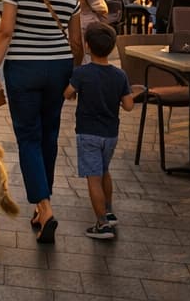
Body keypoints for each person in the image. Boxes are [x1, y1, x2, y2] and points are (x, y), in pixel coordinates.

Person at [0, 0, 82, 245]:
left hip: (23, 70)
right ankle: (42, 208)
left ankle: (45, 207)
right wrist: (74, 79)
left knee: (28, 137)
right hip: (59, 69)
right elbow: (77, 43)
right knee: (48, 136)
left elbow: (6, 31)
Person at [64, 24, 134, 240]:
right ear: (112, 48)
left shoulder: (82, 73)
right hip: (110, 134)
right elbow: (129, 105)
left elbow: (67, 94)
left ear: (86, 46)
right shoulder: (119, 75)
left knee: (93, 179)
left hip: (88, 134)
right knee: (104, 171)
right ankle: (109, 211)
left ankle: (102, 224)